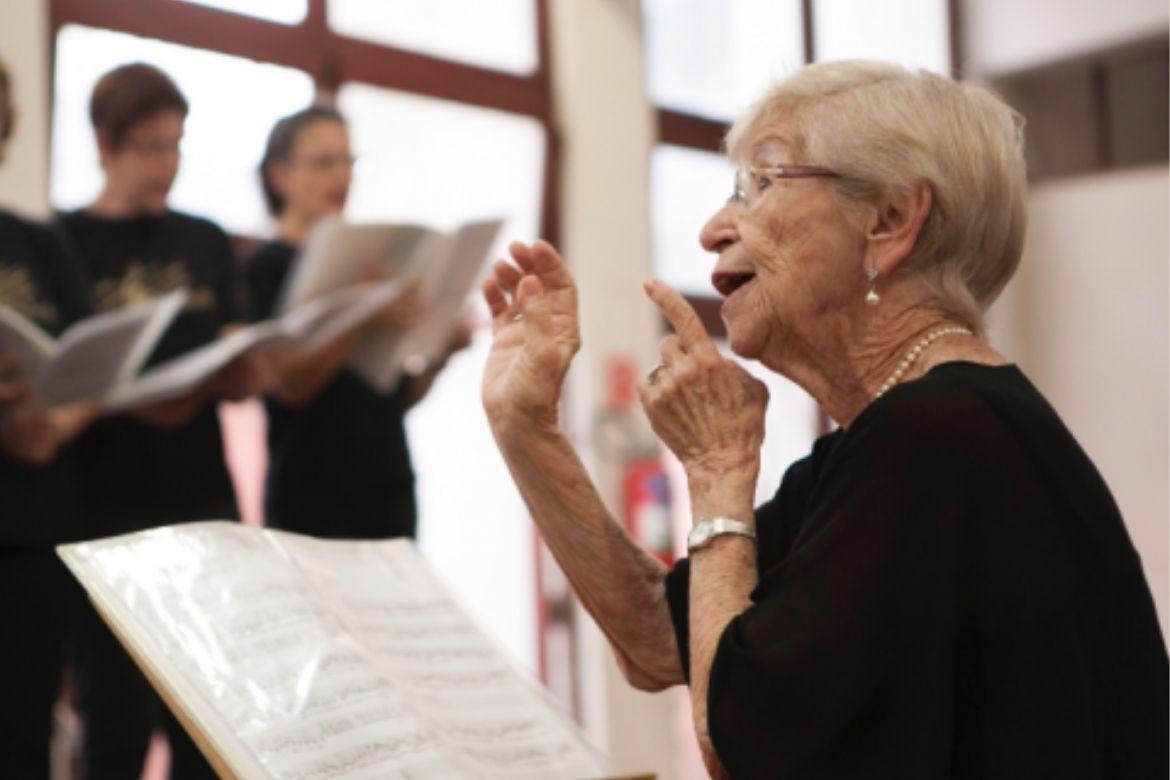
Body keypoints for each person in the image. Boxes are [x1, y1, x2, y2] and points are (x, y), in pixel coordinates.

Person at [480, 61, 1168, 779]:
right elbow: (660, 640)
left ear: (890, 221)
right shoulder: (896, 435)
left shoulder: (935, 440)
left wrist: (719, 473)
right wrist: (527, 428)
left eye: (763, 183)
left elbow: (741, 746)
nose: (715, 228)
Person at [56, 62, 267, 779]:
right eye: (150, 146)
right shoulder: (65, 242)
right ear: (105, 143)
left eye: (176, 145)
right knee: (112, 721)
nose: (166, 165)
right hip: (103, 510)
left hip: (200, 503)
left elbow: (241, 356)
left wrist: (240, 369)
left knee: (209, 724)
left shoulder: (204, 239)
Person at [247, 105, 465, 540]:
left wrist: (443, 353)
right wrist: (360, 316)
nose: (341, 176)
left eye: (348, 160)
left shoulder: (373, 265)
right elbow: (288, 387)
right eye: (324, 162)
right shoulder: (264, 267)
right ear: (279, 175)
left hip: (387, 488)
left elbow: (396, 396)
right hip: (311, 497)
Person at [0, 56, 98, 779]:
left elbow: (95, 366)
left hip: (33, 523)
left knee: (26, 732)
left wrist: (55, 427)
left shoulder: (40, 245)